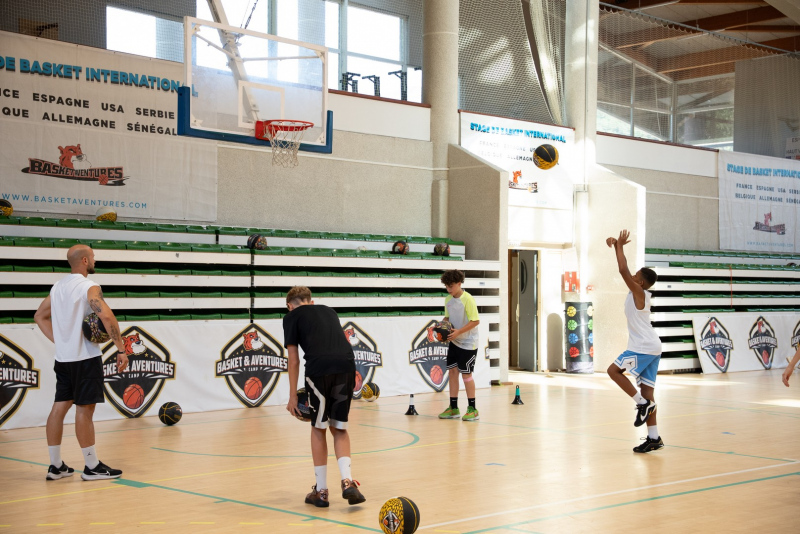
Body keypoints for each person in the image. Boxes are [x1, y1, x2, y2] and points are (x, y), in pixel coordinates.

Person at [33, 245, 128, 481]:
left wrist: (61, 340)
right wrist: (121, 348)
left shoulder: (58, 287)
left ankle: (56, 466)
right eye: (93, 257)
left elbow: (39, 316)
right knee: (85, 410)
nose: (95, 260)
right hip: (85, 358)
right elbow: (106, 315)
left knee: (59, 408)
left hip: (63, 359)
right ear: (85, 260)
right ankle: (92, 466)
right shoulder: (89, 286)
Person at [283, 286, 365, 508]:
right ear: (311, 302)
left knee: (318, 428)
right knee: (339, 427)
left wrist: (292, 396)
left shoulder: (291, 317)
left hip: (319, 369)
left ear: (290, 306)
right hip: (346, 366)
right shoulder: (329, 310)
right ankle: (348, 482)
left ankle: (321, 492)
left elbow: (293, 359)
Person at [605, 230, 664, 453]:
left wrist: (619, 246)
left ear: (640, 281)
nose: (632, 274)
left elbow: (622, 269)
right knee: (648, 392)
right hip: (651, 346)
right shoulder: (637, 292)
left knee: (613, 371)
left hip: (644, 347)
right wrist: (616, 246)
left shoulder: (639, 292)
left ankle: (641, 404)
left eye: (636, 274)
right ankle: (654, 438)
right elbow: (625, 268)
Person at [437, 269, 481, 422]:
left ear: (459, 283)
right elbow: (447, 319)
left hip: (468, 342)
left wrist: (459, 332)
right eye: (446, 286)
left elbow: (475, 321)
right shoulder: (448, 300)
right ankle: (453, 408)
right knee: (452, 373)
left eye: (451, 286)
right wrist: (439, 328)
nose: (448, 289)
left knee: (466, 375)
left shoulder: (468, 299)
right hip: (454, 341)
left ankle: (473, 409)